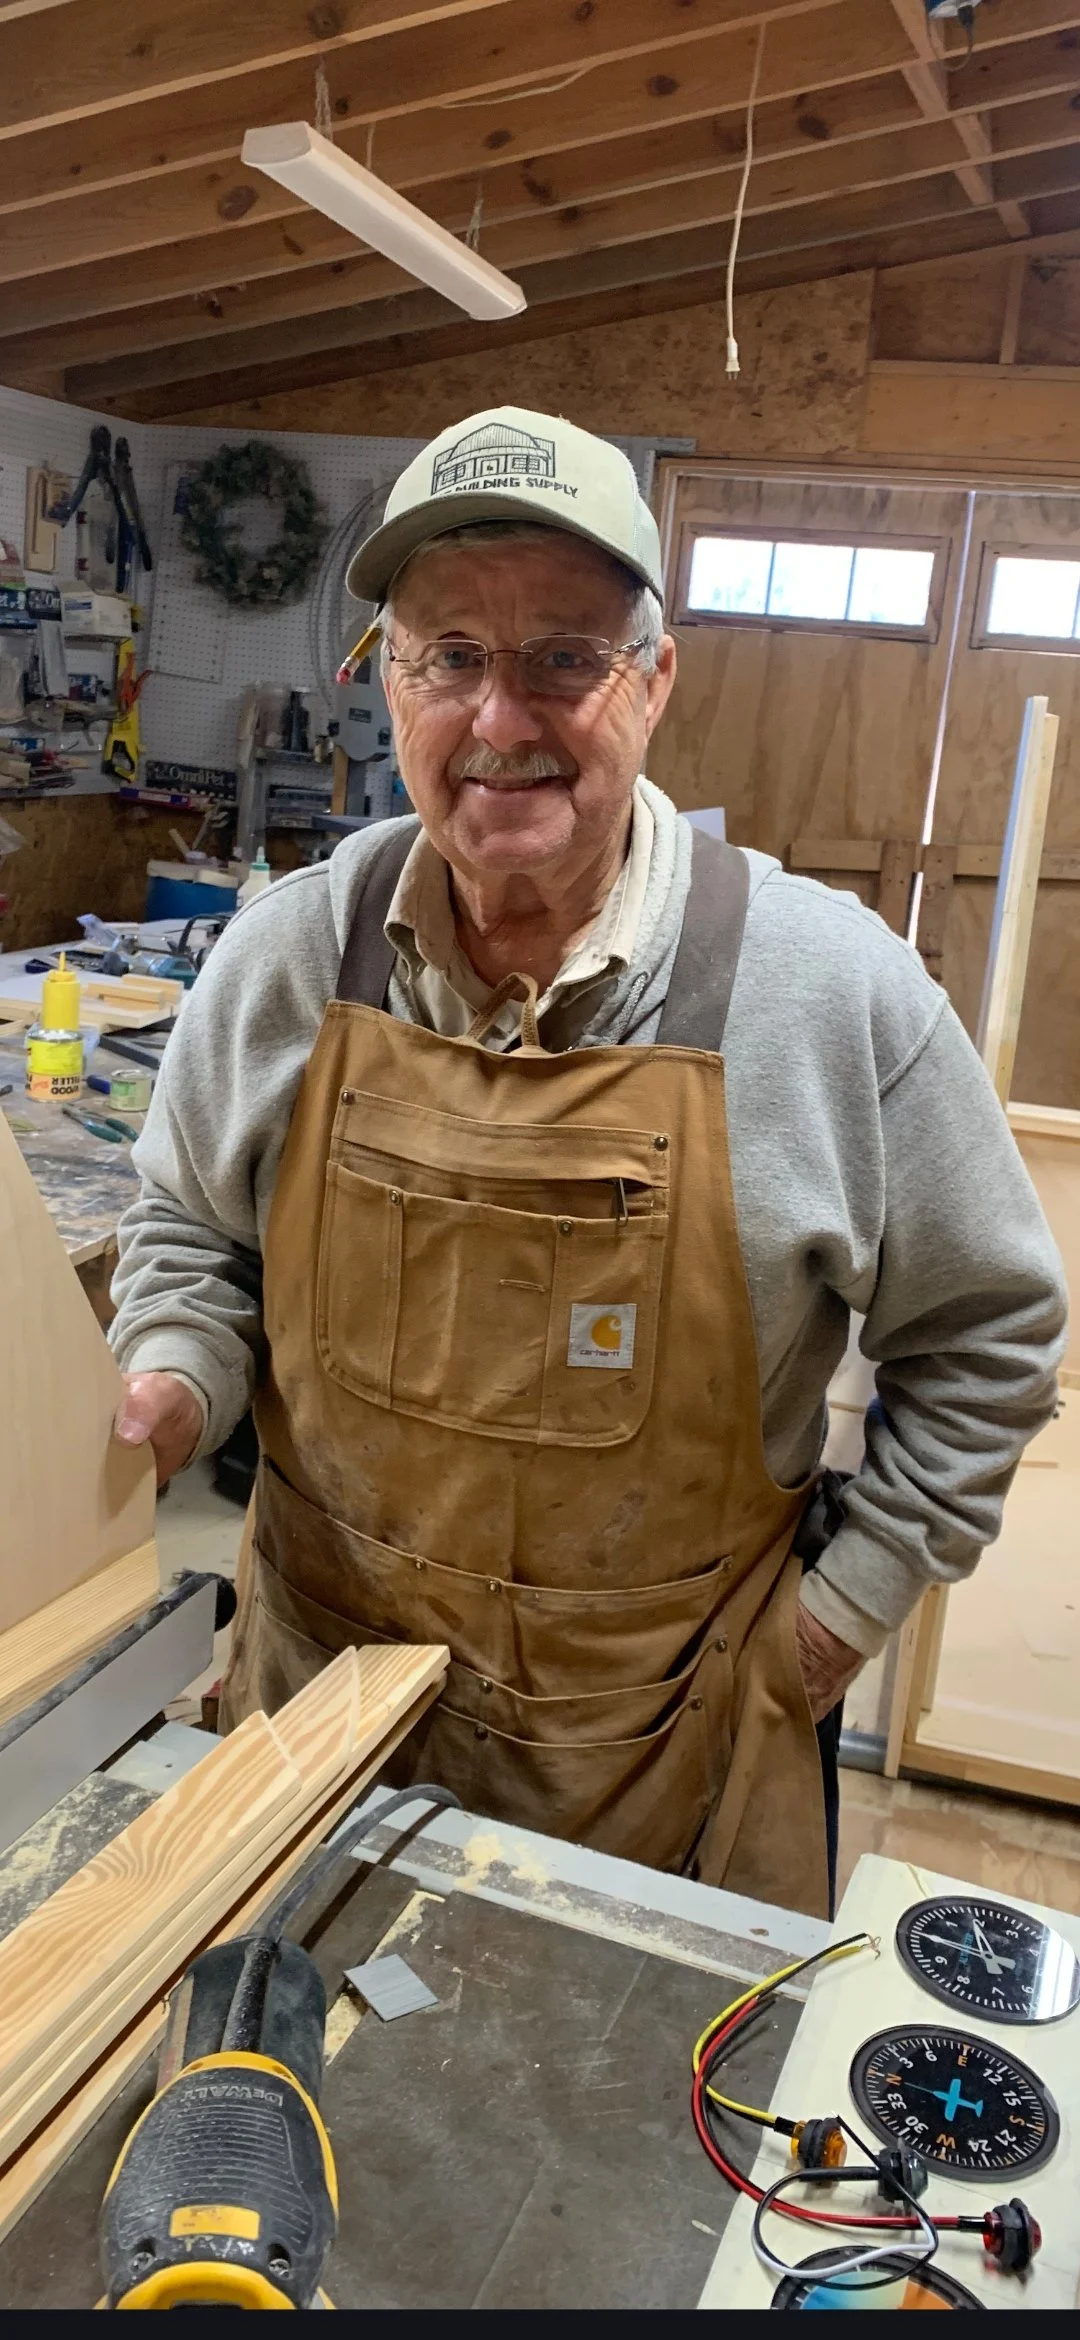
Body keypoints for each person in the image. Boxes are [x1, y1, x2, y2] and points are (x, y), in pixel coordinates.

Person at [109, 406, 1066, 1920]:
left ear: (656, 682)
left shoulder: (830, 993)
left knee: (615, 2143)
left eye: (566, 657)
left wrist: (833, 1625)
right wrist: (168, 1381)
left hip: (666, 1768)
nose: (503, 720)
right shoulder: (297, 951)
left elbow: (992, 1336)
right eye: (451, 657)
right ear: (387, 681)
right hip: (311, 1730)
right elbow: (189, 1234)